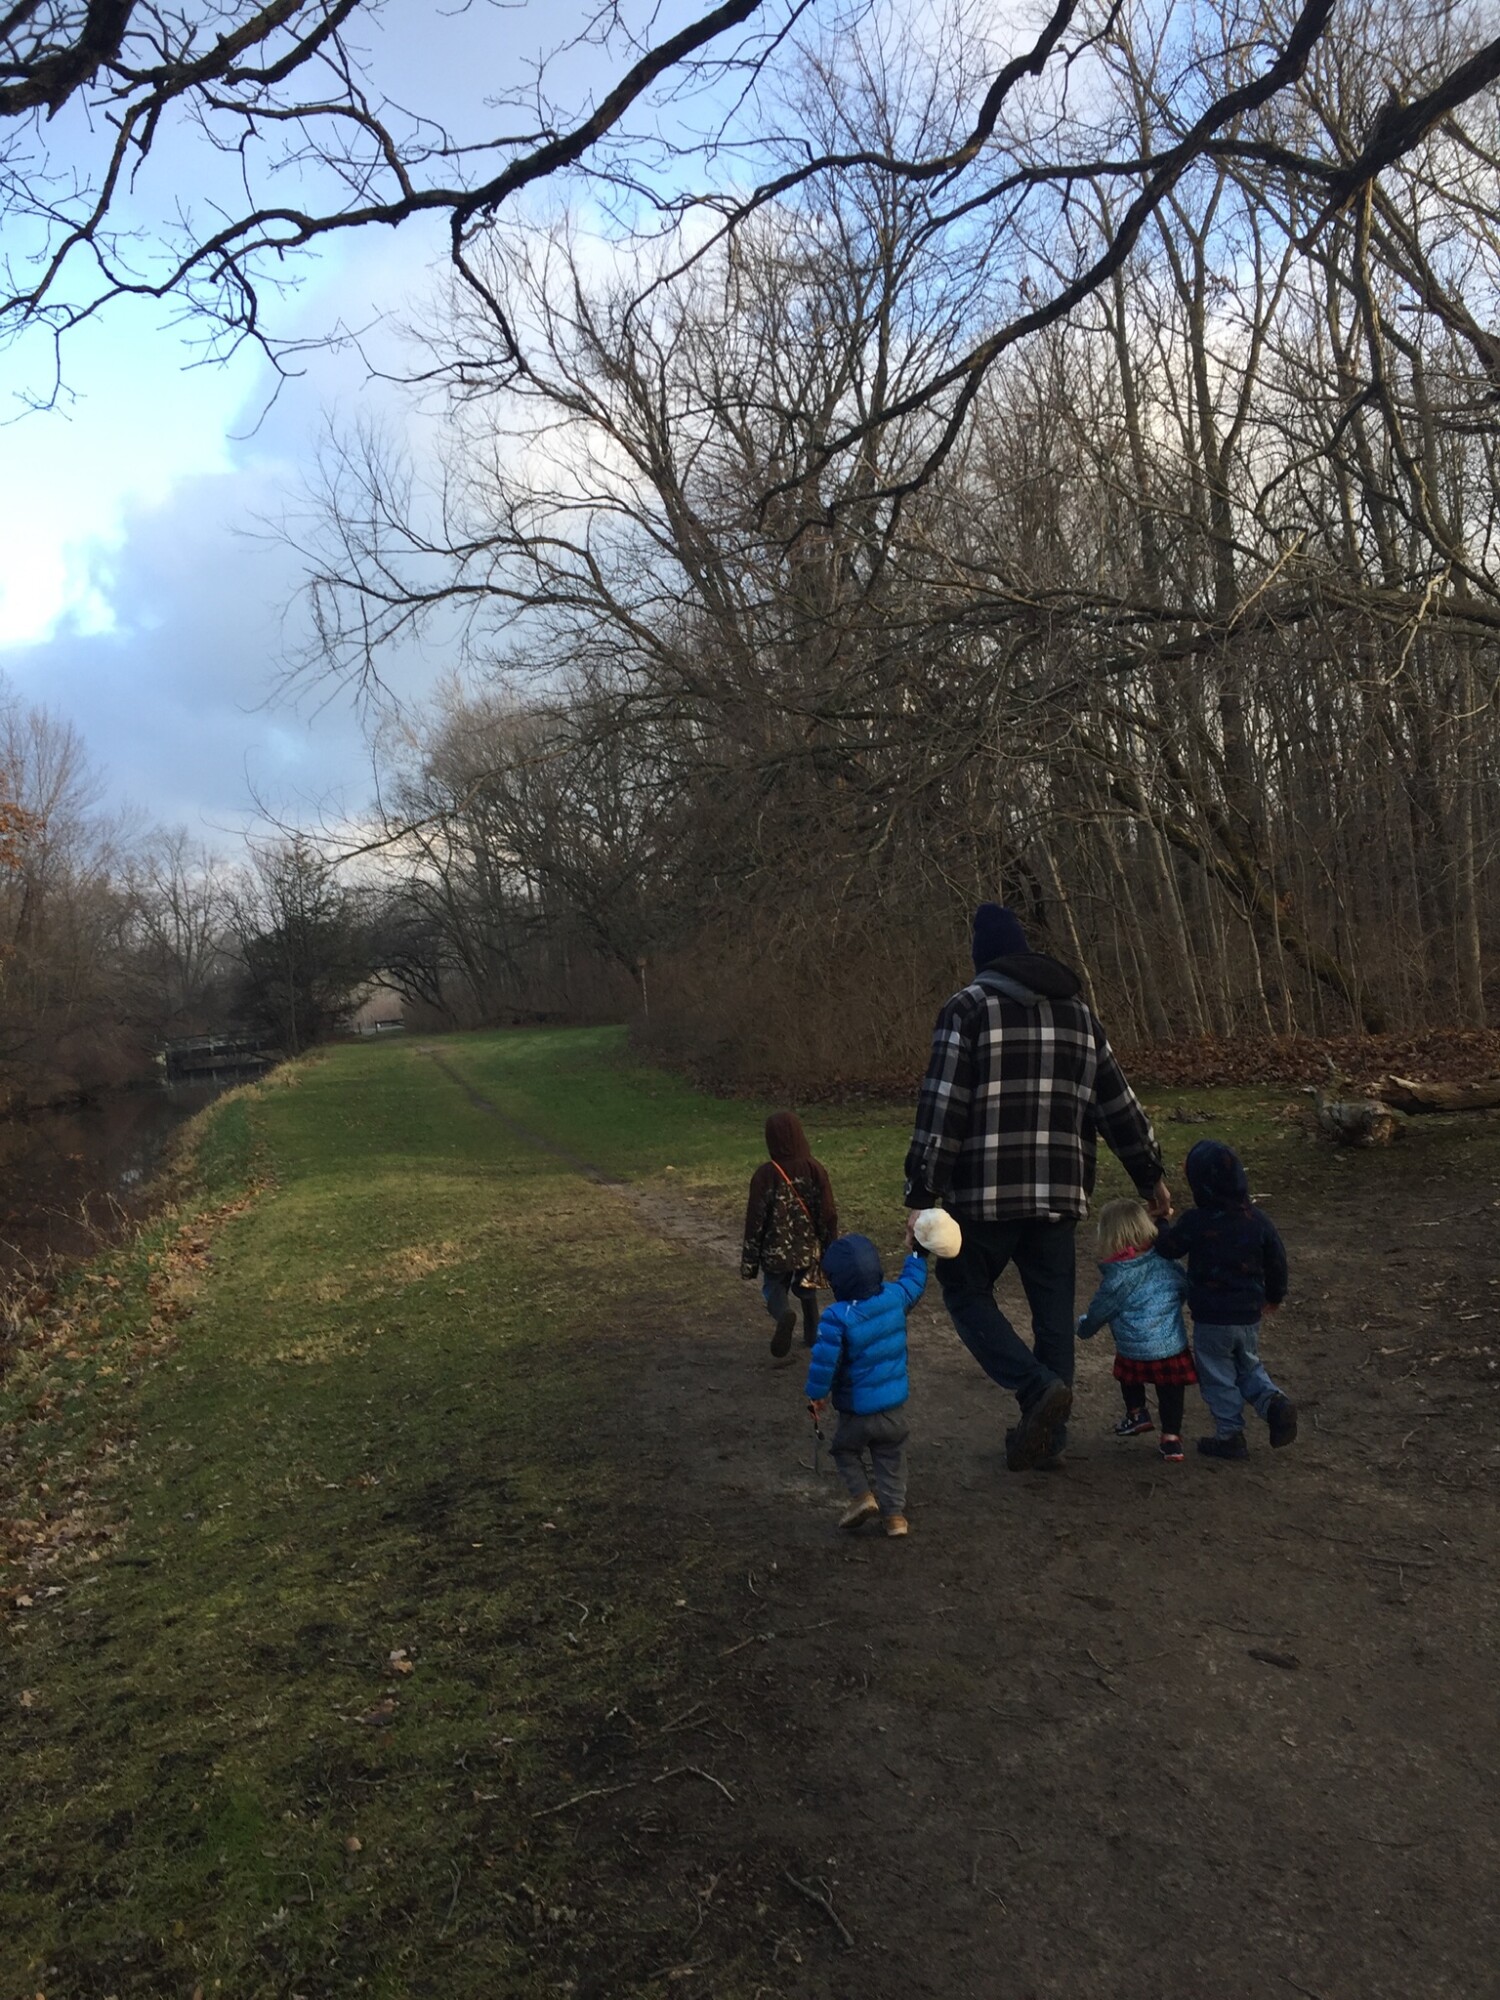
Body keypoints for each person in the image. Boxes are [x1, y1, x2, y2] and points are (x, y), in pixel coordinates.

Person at [903, 902, 1169, 1470]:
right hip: (1058, 1198)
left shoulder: (966, 1010)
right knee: (1053, 1319)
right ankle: (1048, 1436)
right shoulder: (1079, 1015)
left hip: (983, 1199)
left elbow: (943, 1107)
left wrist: (923, 1195)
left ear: (984, 961)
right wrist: (1150, 1176)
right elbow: (1118, 1104)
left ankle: (1034, 1393)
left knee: (964, 1290)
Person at [1153, 1139, 1296, 1459]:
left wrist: (1160, 1222)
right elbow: (1277, 1259)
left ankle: (1230, 1433)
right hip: (1248, 1315)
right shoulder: (1257, 1220)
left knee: (1216, 1373)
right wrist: (1275, 1295)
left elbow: (1168, 1248)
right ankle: (1273, 1403)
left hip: (1212, 1318)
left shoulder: (1196, 1221)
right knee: (1248, 1365)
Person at [805, 1233, 925, 1538]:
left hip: (857, 1411)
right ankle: (895, 1518)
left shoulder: (837, 1317)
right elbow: (914, 1283)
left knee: (844, 1451)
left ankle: (862, 1497)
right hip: (893, 1409)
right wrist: (918, 1254)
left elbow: (824, 1363)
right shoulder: (895, 1297)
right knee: (891, 1458)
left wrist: (817, 1396)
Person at [1076, 1197, 1195, 1462]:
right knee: (1171, 1390)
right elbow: (1185, 1287)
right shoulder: (1166, 1263)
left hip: (1133, 1348)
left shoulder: (1117, 1277)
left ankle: (1136, 1412)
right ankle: (1172, 1439)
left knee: (1128, 1376)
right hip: (1170, 1345)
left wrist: (1083, 1327)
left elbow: (1099, 1312)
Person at [742, 1111, 839, 1358]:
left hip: (775, 1250)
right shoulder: (814, 1169)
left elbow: (755, 1220)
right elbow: (827, 1212)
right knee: (807, 1288)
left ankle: (783, 1313)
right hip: (808, 1247)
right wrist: (830, 1246)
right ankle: (811, 1334)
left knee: (774, 1286)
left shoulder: (765, 1175)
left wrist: (750, 1262)